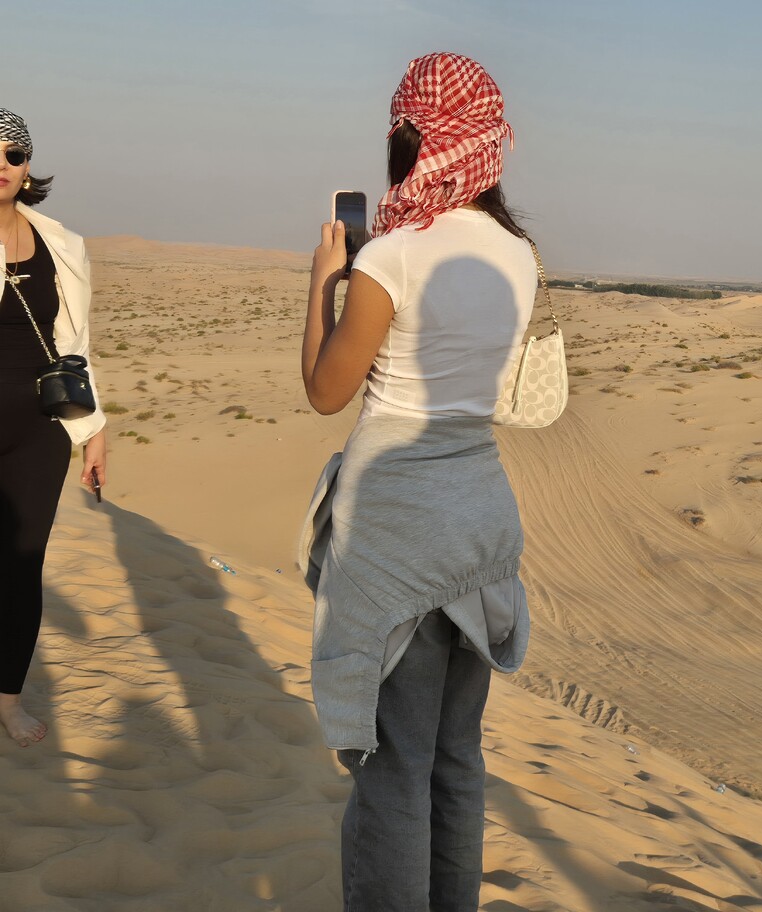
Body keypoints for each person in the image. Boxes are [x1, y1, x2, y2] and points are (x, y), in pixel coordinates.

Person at [299, 54, 535, 910]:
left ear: (409, 138)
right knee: (457, 758)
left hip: (395, 527)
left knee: (394, 766)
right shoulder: (518, 256)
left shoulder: (393, 255)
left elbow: (327, 391)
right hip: (481, 523)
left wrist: (325, 283)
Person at [0, 109, 107, 747]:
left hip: (39, 430)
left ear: (28, 166)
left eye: (12, 154)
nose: (1, 165)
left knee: (20, 565)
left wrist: (94, 430)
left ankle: (7, 701)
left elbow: (76, 344)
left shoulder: (60, 244)